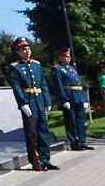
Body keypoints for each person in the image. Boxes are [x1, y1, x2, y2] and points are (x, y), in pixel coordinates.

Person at [7, 37, 58, 170]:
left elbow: (43, 84)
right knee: (32, 133)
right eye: (23, 49)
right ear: (17, 51)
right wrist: (23, 103)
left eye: (28, 48)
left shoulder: (36, 65)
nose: (27, 51)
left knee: (44, 132)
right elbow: (16, 87)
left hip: (39, 101)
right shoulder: (15, 68)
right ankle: (36, 161)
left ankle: (45, 159)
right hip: (29, 102)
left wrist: (47, 101)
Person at [50, 47, 92, 151]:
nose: (68, 58)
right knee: (71, 122)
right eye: (66, 56)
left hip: (78, 97)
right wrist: (64, 100)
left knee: (81, 121)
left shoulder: (72, 69)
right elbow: (59, 86)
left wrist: (84, 99)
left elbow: (79, 84)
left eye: (69, 56)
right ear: (60, 57)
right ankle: (74, 142)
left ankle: (83, 141)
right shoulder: (57, 69)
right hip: (69, 97)